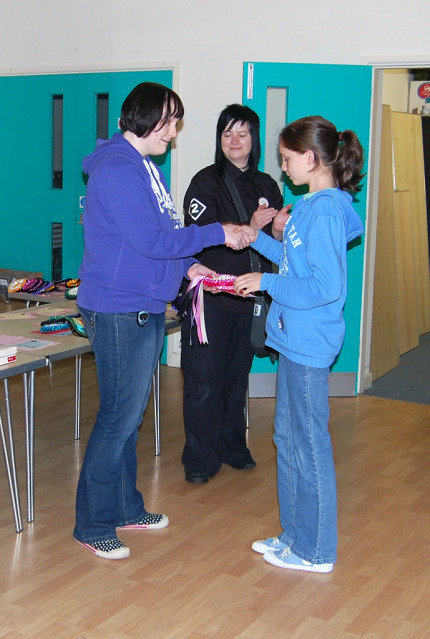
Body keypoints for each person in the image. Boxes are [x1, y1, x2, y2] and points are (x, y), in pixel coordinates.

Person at [73, 82, 249, 560]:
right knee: (118, 417)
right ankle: (92, 523)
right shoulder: (118, 168)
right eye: (169, 122)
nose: (173, 132)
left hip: (142, 304)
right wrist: (217, 232)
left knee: (129, 417)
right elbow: (151, 241)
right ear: (146, 119)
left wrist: (190, 268)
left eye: (175, 122)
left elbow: (164, 235)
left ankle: (125, 507)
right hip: (118, 307)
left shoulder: (144, 166)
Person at [234, 115, 365, 573]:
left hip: (309, 345)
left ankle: (317, 550)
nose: (283, 167)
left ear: (311, 159)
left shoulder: (325, 210)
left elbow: (325, 286)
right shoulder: (310, 205)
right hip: (294, 340)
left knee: (308, 445)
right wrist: (256, 239)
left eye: (287, 159)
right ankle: (294, 536)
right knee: (287, 438)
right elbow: (293, 260)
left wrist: (266, 282)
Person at [180, 104, 286, 484]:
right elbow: (201, 239)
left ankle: (232, 446)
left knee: (236, 377)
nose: (235, 140)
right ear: (219, 139)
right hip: (210, 299)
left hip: (250, 298)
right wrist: (248, 225)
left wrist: (276, 230)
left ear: (254, 139)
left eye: (242, 133)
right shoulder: (204, 183)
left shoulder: (267, 185)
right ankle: (200, 458)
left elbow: (275, 245)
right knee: (203, 379)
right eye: (228, 133)